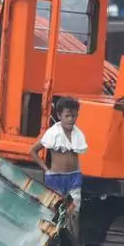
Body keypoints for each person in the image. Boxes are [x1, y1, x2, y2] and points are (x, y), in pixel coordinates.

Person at [30, 96, 87, 232]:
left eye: (73, 116)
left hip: (73, 178)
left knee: (74, 213)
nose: (70, 119)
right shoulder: (53, 133)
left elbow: (77, 155)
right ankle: (50, 239)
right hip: (55, 177)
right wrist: (46, 169)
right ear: (59, 115)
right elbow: (33, 151)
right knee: (53, 211)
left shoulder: (78, 134)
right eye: (67, 116)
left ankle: (74, 243)